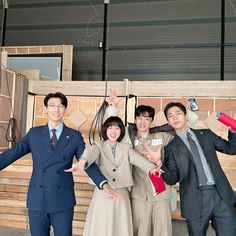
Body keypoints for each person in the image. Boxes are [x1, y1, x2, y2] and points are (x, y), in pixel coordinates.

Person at [0, 92, 118, 236]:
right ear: (45, 109)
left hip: (62, 200)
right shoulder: (34, 133)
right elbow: (13, 153)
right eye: (52, 106)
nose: (56, 109)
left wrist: (103, 183)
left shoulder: (74, 136)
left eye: (60, 106)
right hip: (38, 199)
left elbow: (86, 160)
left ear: (65, 110)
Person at [66, 116, 160, 236]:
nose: (113, 131)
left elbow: (137, 159)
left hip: (122, 192)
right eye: (110, 128)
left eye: (117, 128)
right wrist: (82, 162)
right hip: (103, 192)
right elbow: (90, 154)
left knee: (120, 226)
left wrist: (151, 168)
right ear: (105, 130)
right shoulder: (99, 145)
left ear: (121, 131)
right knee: (101, 225)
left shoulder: (126, 148)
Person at [104, 92, 177, 236]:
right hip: (138, 193)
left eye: (146, 118)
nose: (142, 122)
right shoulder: (128, 138)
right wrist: (113, 107)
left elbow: (183, 129)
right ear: (135, 120)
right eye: (139, 118)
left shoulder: (162, 136)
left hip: (161, 193)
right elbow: (110, 128)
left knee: (163, 231)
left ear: (151, 121)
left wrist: (191, 111)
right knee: (140, 231)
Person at [158, 102, 236, 236]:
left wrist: (233, 132)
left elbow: (231, 149)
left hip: (221, 195)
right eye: (170, 116)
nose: (175, 118)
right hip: (194, 199)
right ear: (168, 122)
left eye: (178, 114)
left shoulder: (206, 134)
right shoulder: (171, 148)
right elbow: (172, 179)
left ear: (186, 115)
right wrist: (159, 163)